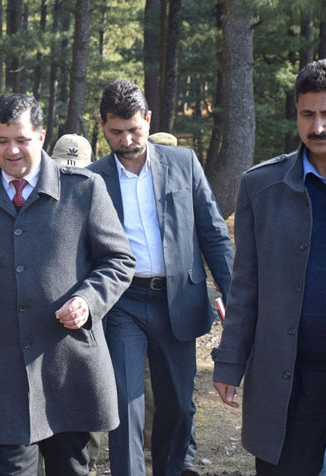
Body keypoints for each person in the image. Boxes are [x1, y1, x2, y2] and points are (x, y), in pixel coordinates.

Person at [212, 58, 326, 474]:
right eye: (307, 114)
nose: (318, 128)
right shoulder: (262, 186)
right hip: (291, 374)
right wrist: (229, 362)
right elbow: (245, 287)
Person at [0, 93, 136, 476]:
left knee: (70, 468)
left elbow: (119, 260)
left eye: (21, 140)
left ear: (42, 136)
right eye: (1, 141)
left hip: (67, 365)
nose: (11, 151)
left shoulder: (84, 189)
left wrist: (87, 300)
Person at [86, 80, 234, 476]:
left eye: (134, 129)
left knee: (178, 405)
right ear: (102, 125)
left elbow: (213, 232)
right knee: (125, 405)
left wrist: (234, 293)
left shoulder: (184, 163)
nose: (127, 139)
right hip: (122, 305)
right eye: (116, 131)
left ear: (148, 120)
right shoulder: (91, 179)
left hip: (177, 301)